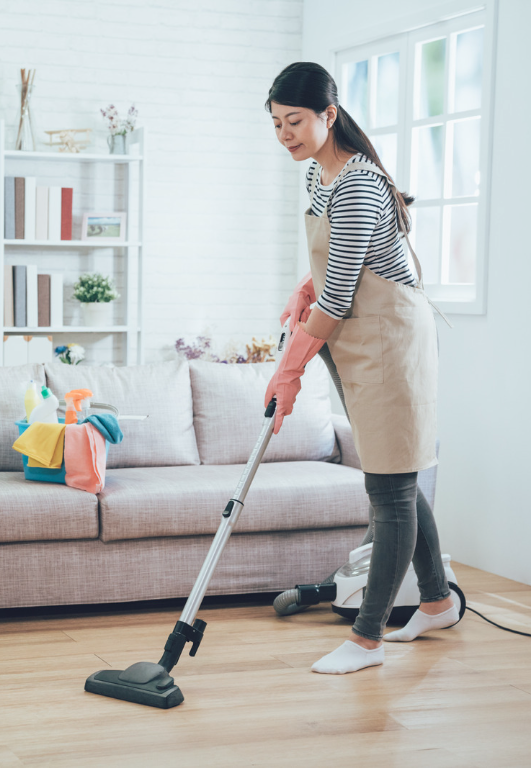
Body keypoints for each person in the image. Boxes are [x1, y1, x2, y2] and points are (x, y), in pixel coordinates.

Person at [263, 62, 460, 675]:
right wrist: (304, 288)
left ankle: (368, 638)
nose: (285, 134)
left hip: (388, 341)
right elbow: (340, 261)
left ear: (328, 114)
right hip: (352, 342)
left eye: (294, 121)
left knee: (390, 486)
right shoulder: (320, 181)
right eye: (275, 123)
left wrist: (289, 369)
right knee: (391, 470)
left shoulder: (358, 183)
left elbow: (342, 294)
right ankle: (435, 601)